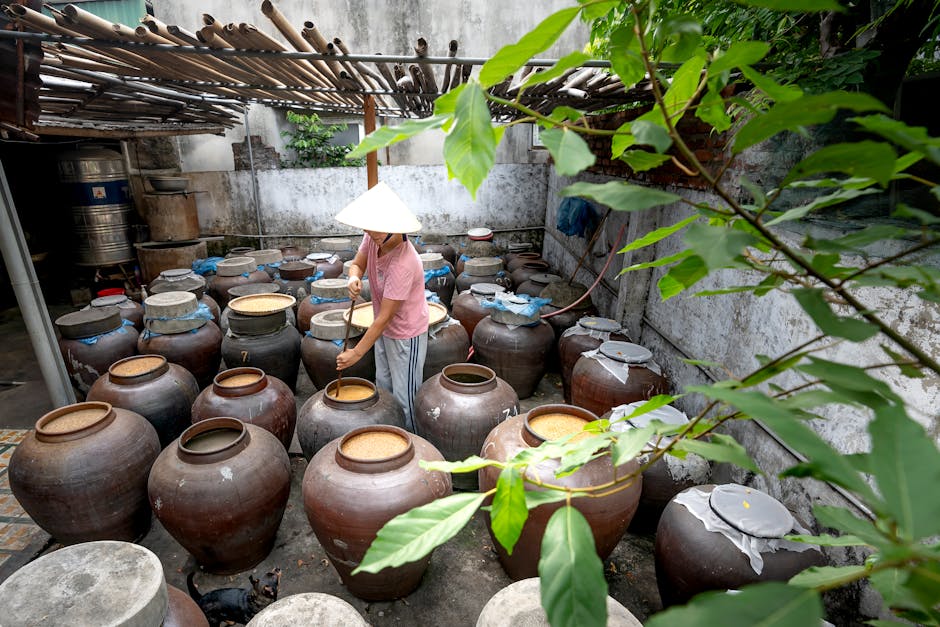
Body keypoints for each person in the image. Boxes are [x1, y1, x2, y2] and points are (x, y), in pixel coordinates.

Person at [334, 182, 429, 431]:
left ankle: (412, 445)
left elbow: (385, 317)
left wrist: (356, 353)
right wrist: (353, 277)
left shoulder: (403, 263)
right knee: (383, 387)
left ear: (394, 226)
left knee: (405, 398)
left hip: (406, 335)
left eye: (375, 227)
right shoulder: (373, 237)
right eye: (368, 225)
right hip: (383, 331)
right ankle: (388, 435)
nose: (369, 231)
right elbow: (357, 264)